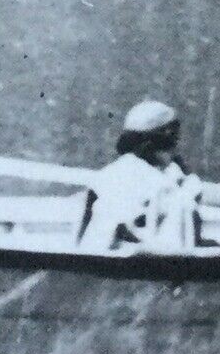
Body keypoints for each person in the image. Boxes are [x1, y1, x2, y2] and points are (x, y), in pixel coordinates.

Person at [77, 100, 204, 253]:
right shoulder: (163, 182)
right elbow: (175, 242)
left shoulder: (106, 175)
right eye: (172, 139)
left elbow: (80, 236)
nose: (175, 149)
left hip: (93, 259)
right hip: (139, 265)